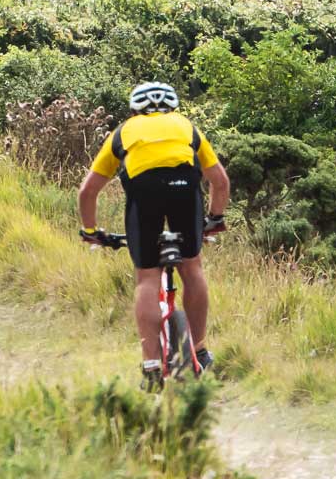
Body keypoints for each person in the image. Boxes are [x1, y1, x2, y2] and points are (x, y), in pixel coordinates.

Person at [78, 81, 231, 389]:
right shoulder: (187, 128)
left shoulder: (123, 132)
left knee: (148, 277)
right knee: (192, 266)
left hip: (143, 196)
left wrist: (92, 231)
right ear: (172, 107)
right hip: (184, 193)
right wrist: (214, 219)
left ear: (135, 109)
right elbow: (220, 182)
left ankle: (150, 367)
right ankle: (199, 350)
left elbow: (88, 191)